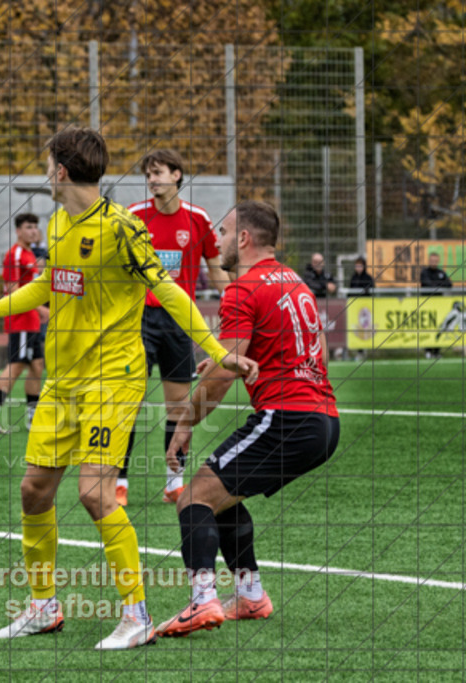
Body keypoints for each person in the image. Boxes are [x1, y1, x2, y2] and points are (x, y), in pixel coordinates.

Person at [0, 128, 257, 650]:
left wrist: (219, 348)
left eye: (48, 165)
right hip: (62, 383)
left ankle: (135, 616)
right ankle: (43, 606)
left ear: (62, 171)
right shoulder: (59, 220)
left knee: (94, 494)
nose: (45, 174)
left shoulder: (122, 227)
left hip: (111, 379)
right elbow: (48, 283)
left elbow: (168, 289)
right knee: (33, 491)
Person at [157, 200, 339, 638]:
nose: (216, 241)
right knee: (223, 494)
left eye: (222, 233)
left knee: (193, 497)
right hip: (322, 419)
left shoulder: (242, 287)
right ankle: (252, 595)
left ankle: (203, 601)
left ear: (243, 239)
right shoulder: (296, 282)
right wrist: (233, 359)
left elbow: (223, 373)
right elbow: (318, 354)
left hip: (287, 418)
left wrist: (184, 425)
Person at [119, 149, 229, 506]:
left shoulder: (197, 219)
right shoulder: (134, 216)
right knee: (128, 404)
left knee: (180, 407)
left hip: (180, 322)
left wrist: (234, 303)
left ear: (177, 175)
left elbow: (215, 270)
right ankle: (119, 482)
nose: (152, 180)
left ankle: (173, 482)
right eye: (148, 175)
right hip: (139, 321)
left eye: (158, 173)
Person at [0, 212, 46, 434]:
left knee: (37, 366)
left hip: (32, 321)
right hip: (21, 320)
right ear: (18, 230)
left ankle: (32, 418)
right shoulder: (14, 255)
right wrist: (39, 308)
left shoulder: (30, 255)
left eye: (35, 226)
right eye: (28, 227)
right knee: (16, 366)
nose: (33, 230)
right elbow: (11, 289)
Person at [420, 252, 452, 359]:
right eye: (432, 260)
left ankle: (437, 351)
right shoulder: (424, 272)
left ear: (438, 261)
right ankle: (428, 350)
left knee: (439, 327)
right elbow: (427, 284)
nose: (433, 262)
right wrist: (439, 284)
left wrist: (437, 284)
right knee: (429, 327)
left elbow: (449, 284)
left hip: (439, 306)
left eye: (435, 260)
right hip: (427, 305)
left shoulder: (441, 273)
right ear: (429, 261)